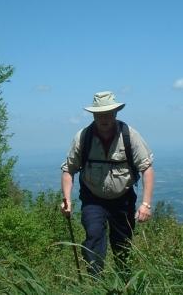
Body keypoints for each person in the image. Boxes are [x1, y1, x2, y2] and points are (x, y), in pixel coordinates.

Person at [60, 91, 154, 274]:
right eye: (100, 114)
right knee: (93, 236)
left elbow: (147, 169)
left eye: (108, 114)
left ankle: (124, 281)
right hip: (92, 198)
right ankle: (96, 283)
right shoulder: (83, 137)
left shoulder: (129, 135)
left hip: (123, 199)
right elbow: (68, 170)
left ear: (116, 113)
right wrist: (67, 200)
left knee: (123, 244)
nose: (104, 118)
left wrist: (146, 204)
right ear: (93, 115)